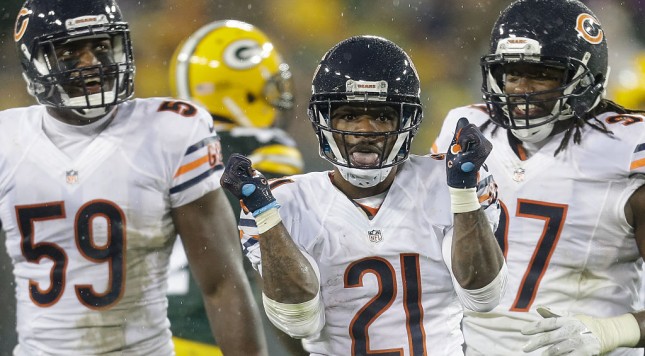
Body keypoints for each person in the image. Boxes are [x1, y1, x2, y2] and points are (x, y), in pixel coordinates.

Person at [1, 0, 268, 355]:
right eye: (70, 53)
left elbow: (223, 284)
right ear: (34, 63)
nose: (91, 63)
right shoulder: (9, 140)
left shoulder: (169, 130)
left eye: (100, 47)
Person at [220, 34, 508, 355]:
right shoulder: (284, 202)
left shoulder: (447, 181)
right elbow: (299, 321)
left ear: (407, 121)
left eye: (383, 116)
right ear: (324, 120)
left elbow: (484, 296)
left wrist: (464, 194)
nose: (366, 130)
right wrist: (268, 216)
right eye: (349, 115)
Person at [431, 0, 645, 354]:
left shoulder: (626, 149)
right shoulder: (468, 128)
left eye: (542, 73)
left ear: (585, 76)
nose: (523, 90)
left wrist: (613, 331)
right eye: (513, 74)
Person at [167, 20, 305, 355]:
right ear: (239, 91)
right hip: (214, 339)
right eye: (267, 89)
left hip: (148, 337)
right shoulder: (263, 152)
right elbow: (274, 274)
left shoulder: (166, 148)